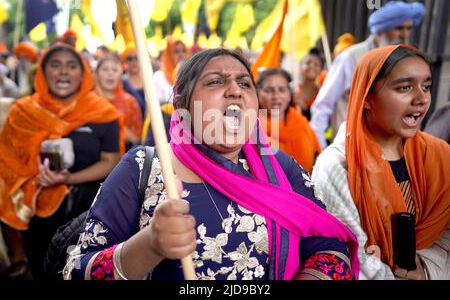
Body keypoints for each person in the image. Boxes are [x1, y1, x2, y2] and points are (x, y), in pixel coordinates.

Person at [64, 48, 359, 280]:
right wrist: (148, 246)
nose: (235, 90)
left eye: (245, 82)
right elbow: (78, 270)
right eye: (216, 81)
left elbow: (330, 248)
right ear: (182, 106)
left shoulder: (282, 167)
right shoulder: (143, 167)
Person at [311, 45, 450, 280]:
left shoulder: (440, 156)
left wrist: (424, 271)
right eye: (405, 88)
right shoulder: (337, 166)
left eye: (426, 86)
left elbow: (445, 235)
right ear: (367, 98)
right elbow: (350, 256)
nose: (421, 98)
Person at [0, 43, 125, 279]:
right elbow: (6, 164)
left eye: (71, 66)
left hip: (88, 212)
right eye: (55, 65)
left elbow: (111, 160)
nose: (63, 72)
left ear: (83, 73)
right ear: (43, 71)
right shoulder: (23, 112)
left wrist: (69, 178)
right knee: (42, 269)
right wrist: (33, 177)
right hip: (36, 211)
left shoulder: (102, 112)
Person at [310, 1, 425, 148]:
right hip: (351, 149)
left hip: (392, 150)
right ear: (380, 30)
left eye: (409, 28)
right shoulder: (351, 57)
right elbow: (322, 106)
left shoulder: (406, 61)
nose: (404, 34)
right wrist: (322, 149)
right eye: (398, 28)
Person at [256, 68, 321, 173]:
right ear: (257, 93)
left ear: (289, 95)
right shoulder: (251, 130)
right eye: (268, 90)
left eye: (282, 90)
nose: (276, 96)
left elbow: (318, 159)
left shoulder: (301, 123)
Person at [95, 55, 143, 150]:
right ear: (96, 74)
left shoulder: (130, 102)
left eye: (115, 70)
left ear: (121, 75)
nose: (110, 74)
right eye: (105, 69)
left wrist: (122, 132)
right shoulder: (88, 101)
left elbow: (139, 141)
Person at [153, 37, 188, 104]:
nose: (181, 55)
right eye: (176, 52)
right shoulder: (159, 77)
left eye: (183, 51)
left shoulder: (192, 75)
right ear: (168, 55)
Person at [293, 49, 324, 121]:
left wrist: (305, 108)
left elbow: (320, 121)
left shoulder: (322, 94)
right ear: (300, 67)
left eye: (316, 65)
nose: (312, 66)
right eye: (308, 63)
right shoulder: (290, 91)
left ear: (320, 70)